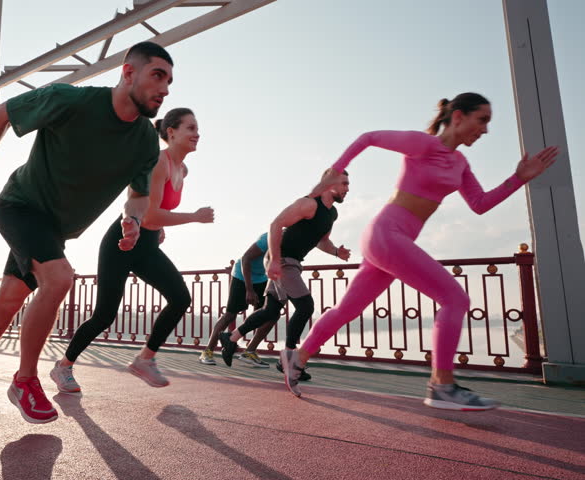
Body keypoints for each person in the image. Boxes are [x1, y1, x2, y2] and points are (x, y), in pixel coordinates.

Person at [0, 42, 174, 424]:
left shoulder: (147, 140)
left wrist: (131, 220)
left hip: (54, 230)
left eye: (169, 81)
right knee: (60, 278)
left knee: (8, 303)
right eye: (157, 76)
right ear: (129, 72)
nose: (164, 89)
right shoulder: (71, 100)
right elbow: (2, 113)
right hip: (20, 207)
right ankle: (25, 381)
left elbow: (138, 196)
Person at [284, 93, 557, 409]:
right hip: (388, 234)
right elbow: (369, 138)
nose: (485, 130)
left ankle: (297, 358)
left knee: (347, 310)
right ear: (457, 117)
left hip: (392, 241)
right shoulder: (424, 145)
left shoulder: (460, 163)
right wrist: (337, 169)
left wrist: (518, 178)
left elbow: (480, 205)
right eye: (481, 120)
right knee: (455, 298)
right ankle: (442, 385)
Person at [49, 107, 213, 393]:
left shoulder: (182, 169)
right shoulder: (160, 163)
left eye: (197, 128)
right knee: (104, 315)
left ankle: (145, 359)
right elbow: (148, 215)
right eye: (190, 128)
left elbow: (157, 210)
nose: (197, 134)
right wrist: (193, 216)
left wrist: (160, 227)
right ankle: (63, 366)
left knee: (180, 297)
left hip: (146, 246)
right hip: (121, 242)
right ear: (171, 132)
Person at [219, 171, 351, 387]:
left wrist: (337, 252)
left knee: (271, 311)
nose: (348, 188)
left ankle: (231, 338)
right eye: (344, 183)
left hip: (292, 262)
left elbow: (322, 241)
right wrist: (273, 260)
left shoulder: (331, 214)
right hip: (282, 260)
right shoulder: (308, 204)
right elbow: (276, 224)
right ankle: (289, 360)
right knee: (305, 306)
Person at [199, 233, 274, 368]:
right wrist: (249, 289)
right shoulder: (267, 238)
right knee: (230, 315)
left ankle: (249, 352)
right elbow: (246, 258)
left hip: (262, 278)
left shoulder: (290, 241)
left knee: (270, 315)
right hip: (242, 275)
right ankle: (207, 351)